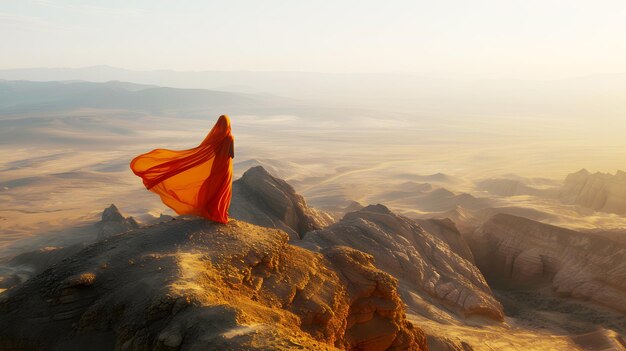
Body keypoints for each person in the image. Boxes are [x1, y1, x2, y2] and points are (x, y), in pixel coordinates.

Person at [130, 115, 234, 223]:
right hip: (225, 167)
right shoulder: (229, 137)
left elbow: (208, 150)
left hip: (216, 167)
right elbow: (232, 154)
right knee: (222, 189)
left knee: (214, 188)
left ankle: (211, 212)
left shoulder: (215, 137)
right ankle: (220, 213)